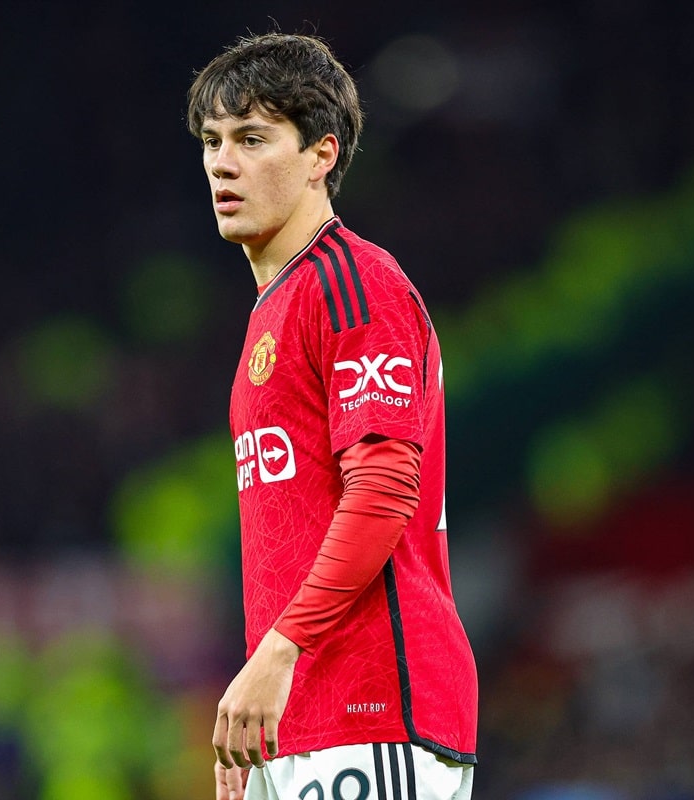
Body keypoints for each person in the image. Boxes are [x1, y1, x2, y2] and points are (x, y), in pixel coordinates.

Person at [185, 32, 478, 800]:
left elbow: (382, 490)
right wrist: (260, 698)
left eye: (253, 139)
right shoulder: (272, 309)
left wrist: (278, 653)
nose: (223, 163)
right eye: (213, 141)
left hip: (374, 705)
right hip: (299, 716)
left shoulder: (353, 285)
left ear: (322, 154)